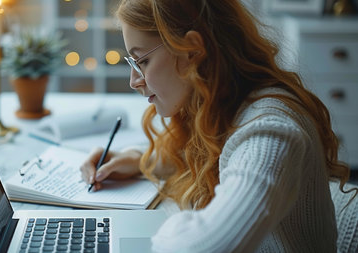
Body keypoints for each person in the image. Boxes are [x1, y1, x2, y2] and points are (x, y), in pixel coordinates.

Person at [80, 0, 357, 252]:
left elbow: (198, 248)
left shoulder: (271, 131)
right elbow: (199, 156)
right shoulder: (224, 107)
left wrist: (172, 223)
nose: (134, 80)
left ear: (192, 51)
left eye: (142, 61)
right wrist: (140, 159)